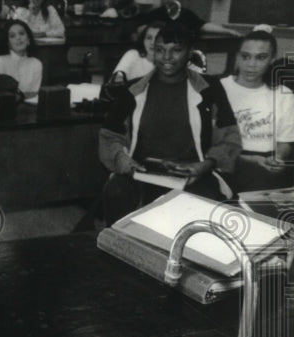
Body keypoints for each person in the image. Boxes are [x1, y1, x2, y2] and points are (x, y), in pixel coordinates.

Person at [98, 22, 242, 225]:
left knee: (199, 210)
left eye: (176, 50)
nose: (166, 58)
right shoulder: (132, 90)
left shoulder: (210, 89)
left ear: (190, 52)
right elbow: (109, 136)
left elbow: (230, 138)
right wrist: (125, 162)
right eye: (160, 50)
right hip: (140, 173)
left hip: (193, 175)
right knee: (117, 193)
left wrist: (205, 165)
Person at [221, 27, 294, 192]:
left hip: (265, 163)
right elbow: (208, 144)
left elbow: (285, 141)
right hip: (226, 159)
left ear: (272, 59)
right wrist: (250, 159)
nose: (251, 64)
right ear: (237, 57)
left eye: (261, 58)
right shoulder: (219, 88)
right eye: (245, 56)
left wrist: (277, 158)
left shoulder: (283, 94)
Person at [141, 0, 240, 37]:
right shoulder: (155, 13)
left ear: (180, 0)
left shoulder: (186, 13)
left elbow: (203, 25)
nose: (170, 0)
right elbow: (141, 28)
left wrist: (227, 31)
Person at [0, 20, 43, 96]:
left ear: (28, 39)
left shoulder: (36, 64)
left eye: (21, 33)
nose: (18, 38)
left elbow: (33, 95)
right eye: (12, 36)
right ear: (8, 43)